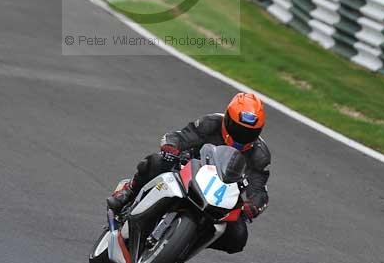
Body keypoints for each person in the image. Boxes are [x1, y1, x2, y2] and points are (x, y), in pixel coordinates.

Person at [107, 92, 270, 254]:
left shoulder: (260, 155)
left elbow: (258, 188)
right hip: (188, 170)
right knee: (157, 162)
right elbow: (181, 136)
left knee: (238, 237)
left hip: (221, 195)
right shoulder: (211, 123)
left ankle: (187, 242)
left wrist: (253, 205)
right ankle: (128, 193)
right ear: (227, 119)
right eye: (237, 128)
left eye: (249, 133)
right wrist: (171, 146)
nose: (242, 136)